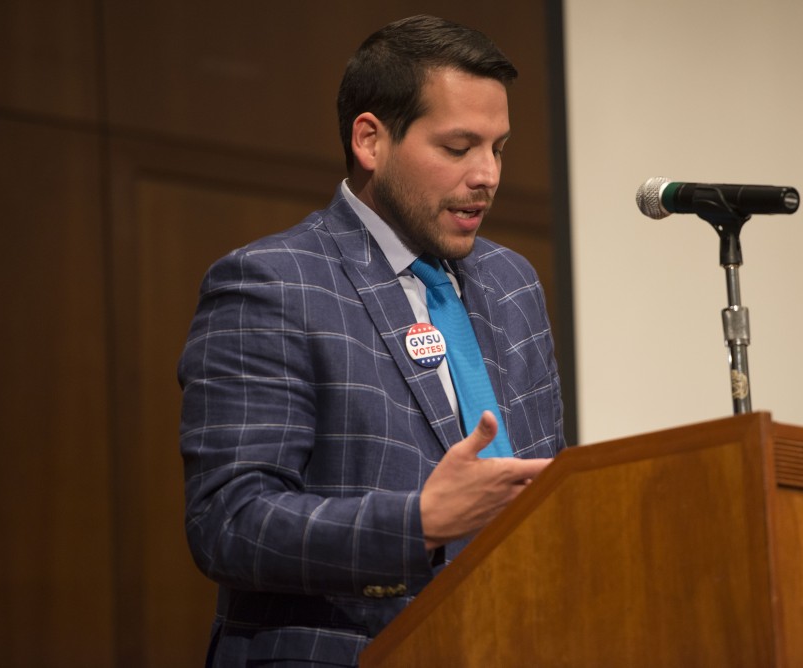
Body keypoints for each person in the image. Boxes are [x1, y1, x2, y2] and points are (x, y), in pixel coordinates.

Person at [178, 14, 567, 667]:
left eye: (498, 148)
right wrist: (417, 522)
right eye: (458, 147)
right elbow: (227, 523)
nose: (488, 175)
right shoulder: (273, 283)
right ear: (370, 140)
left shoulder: (511, 284)